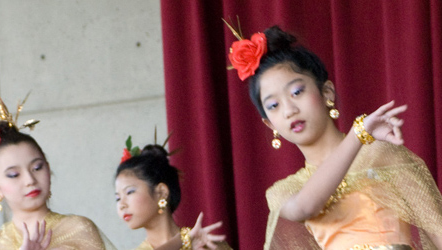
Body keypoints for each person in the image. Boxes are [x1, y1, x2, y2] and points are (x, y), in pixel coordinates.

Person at [225, 23, 442, 249]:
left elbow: (439, 232)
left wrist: (361, 137)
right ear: (270, 124)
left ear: (326, 91)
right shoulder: (284, 191)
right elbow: (305, 208)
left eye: (297, 92)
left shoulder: (382, 155)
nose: (289, 110)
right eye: (273, 105)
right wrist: (359, 134)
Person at [0, 93, 116, 250]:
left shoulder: (78, 229)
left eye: (37, 168)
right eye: (14, 175)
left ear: (48, 169)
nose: (30, 179)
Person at [115, 136, 232, 250]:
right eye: (118, 198)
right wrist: (185, 239)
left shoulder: (211, 246)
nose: (121, 205)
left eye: (129, 192)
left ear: (161, 192)